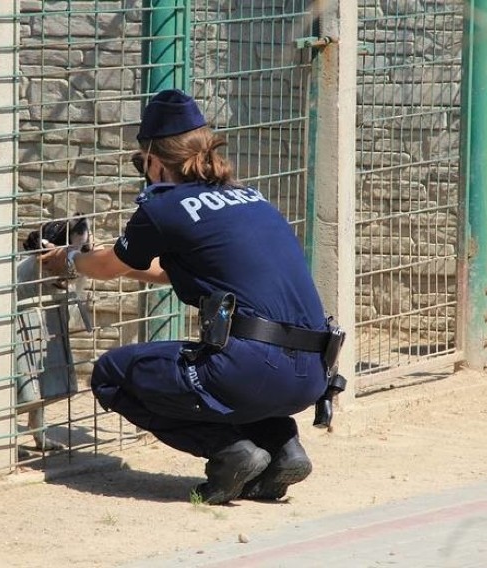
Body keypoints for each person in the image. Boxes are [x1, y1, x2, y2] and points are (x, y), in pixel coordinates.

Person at [41, 89, 333, 505]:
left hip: (249, 370)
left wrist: (67, 259)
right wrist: (111, 261)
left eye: (141, 162)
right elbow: (169, 269)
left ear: (156, 161)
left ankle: (229, 452)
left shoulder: (163, 207)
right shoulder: (252, 199)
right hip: (311, 374)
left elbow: (106, 267)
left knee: (111, 375)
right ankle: (283, 447)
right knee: (241, 372)